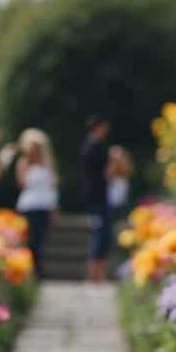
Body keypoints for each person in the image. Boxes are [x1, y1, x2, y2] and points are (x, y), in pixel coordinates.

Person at [15, 128, 59, 279]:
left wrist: (54, 208)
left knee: (39, 239)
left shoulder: (47, 164)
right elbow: (22, 183)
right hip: (29, 205)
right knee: (32, 239)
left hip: (43, 205)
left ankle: (37, 269)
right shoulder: (23, 163)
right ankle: (34, 270)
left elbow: (52, 187)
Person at [81, 116, 111, 281]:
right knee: (99, 235)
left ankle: (97, 274)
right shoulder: (94, 147)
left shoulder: (91, 146)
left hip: (97, 196)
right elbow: (105, 172)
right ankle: (94, 274)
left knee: (101, 234)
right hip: (97, 197)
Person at [106, 144, 133, 233]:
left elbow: (127, 172)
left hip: (121, 188)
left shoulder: (124, 163)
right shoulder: (110, 164)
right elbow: (109, 175)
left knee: (121, 209)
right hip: (113, 190)